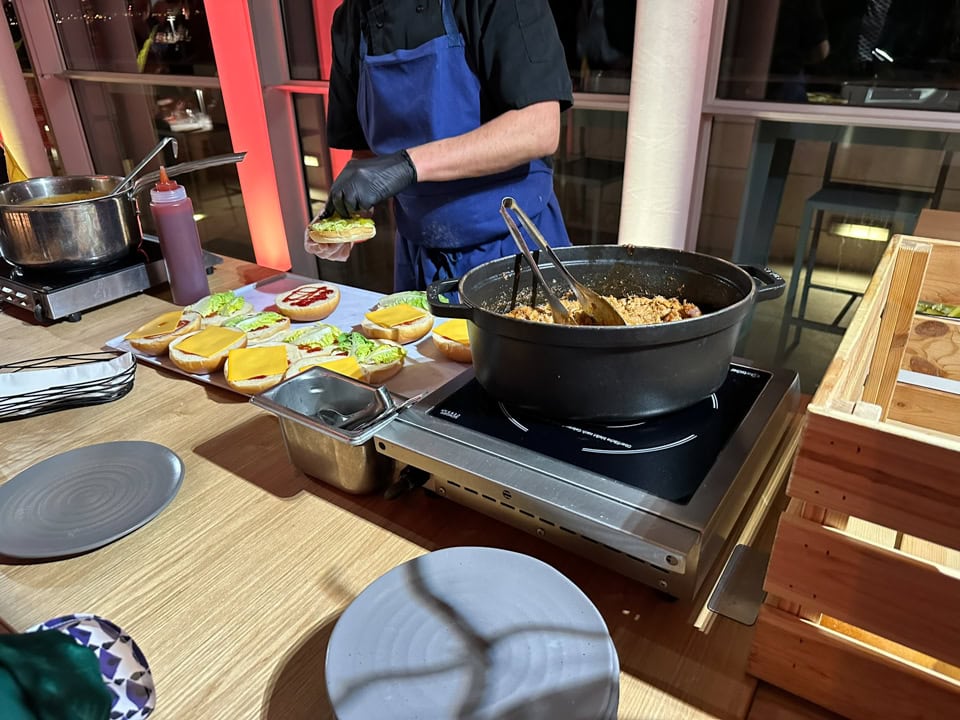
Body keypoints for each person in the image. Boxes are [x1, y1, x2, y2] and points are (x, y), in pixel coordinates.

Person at [308, 0, 575, 291]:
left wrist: (406, 166)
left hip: (514, 249)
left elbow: (538, 128)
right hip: (419, 258)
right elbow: (366, 153)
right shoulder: (350, 19)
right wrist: (346, 212)